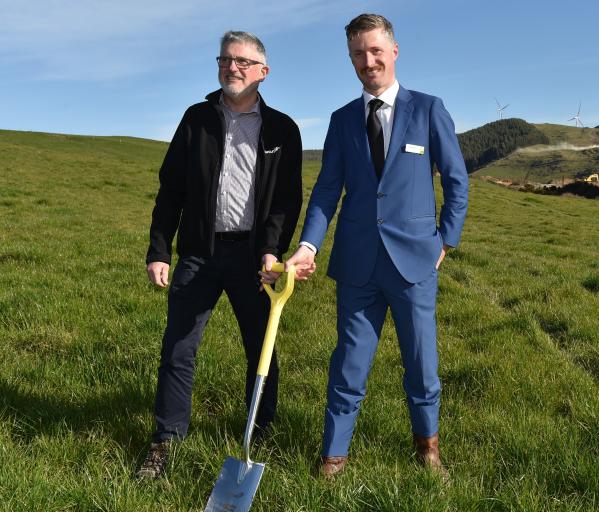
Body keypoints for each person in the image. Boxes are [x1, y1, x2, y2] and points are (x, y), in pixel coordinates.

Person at [285, 13, 468, 478]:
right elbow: (327, 190)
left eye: (375, 51)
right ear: (350, 59)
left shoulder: (428, 109)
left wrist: (446, 239)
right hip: (357, 263)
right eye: (358, 54)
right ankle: (334, 456)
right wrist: (308, 245)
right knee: (348, 365)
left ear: (394, 50)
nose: (368, 61)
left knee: (421, 364)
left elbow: (456, 180)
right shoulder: (342, 120)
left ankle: (427, 449)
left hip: (415, 263)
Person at [138, 30, 302, 479]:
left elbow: (288, 200)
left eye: (243, 62)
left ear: (263, 72)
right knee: (179, 348)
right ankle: (165, 440)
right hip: (198, 253)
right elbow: (170, 190)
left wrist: (272, 251)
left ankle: (261, 433)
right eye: (226, 60)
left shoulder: (283, 129)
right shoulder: (196, 119)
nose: (233, 68)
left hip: (254, 258)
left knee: (261, 347)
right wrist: (159, 251)